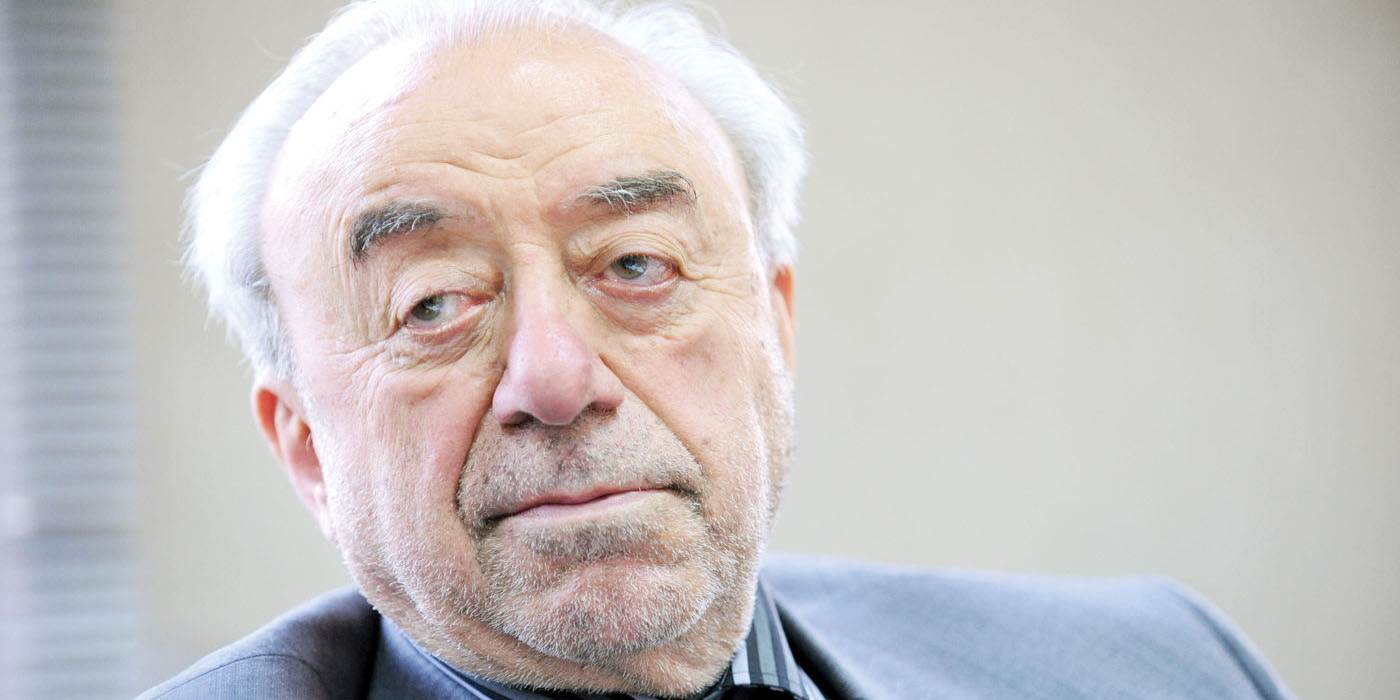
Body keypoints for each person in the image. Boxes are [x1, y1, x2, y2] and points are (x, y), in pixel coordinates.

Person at [141, 0, 1293, 698]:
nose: (555, 379)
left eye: (635, 265)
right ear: (305, 447)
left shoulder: (1161, 669)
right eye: (434, 303)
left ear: (773, 328)